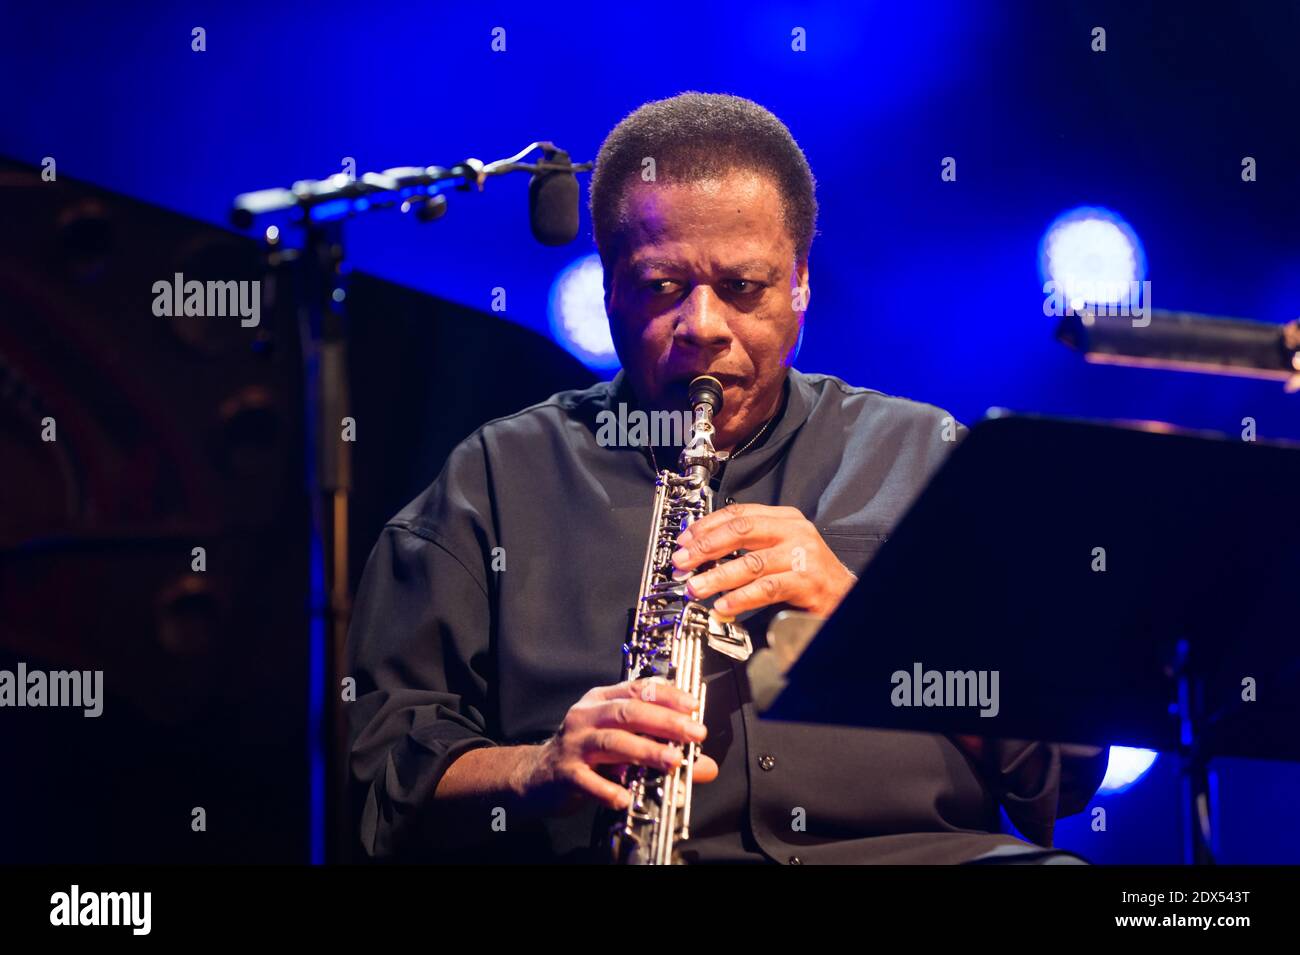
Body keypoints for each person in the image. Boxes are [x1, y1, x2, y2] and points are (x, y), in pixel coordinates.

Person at [346, 92, 1107, 864]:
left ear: (801, 282)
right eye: (661, 287)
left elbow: (1064, 767)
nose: (703, 327)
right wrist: (534, 768)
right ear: (609, 286)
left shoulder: (928, 452)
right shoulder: (495, 477)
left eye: (744, 287)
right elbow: (381, 773)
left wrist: (866, 621)